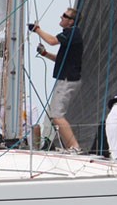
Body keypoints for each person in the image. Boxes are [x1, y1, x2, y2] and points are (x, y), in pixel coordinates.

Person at [30, 8, 83, 151]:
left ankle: (75, 147)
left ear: (71, 21)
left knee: (57, 115)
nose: (61, 16)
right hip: (67, 80)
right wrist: (45, 53)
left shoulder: (72, 33)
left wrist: (37, 30)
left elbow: (53, 41)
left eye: (64, 15)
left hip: (68, 80)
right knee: (55, 116)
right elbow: (60, 60)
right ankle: (72, 147)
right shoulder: (71, 35)